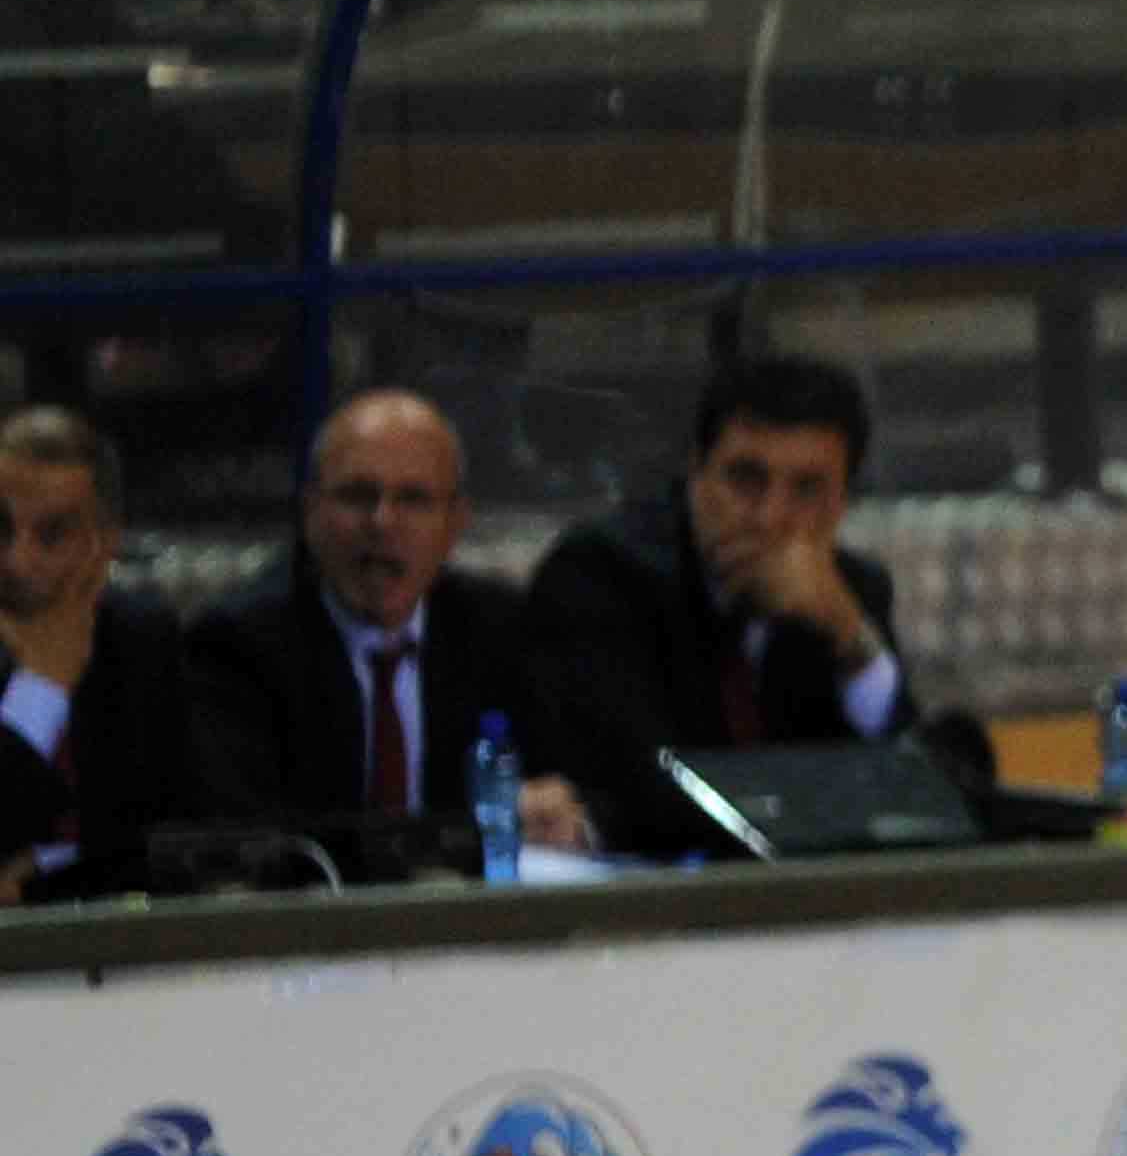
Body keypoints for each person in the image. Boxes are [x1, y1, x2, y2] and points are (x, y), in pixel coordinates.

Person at [526, 355, 913, 856]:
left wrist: (851, 639)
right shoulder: (599, 574)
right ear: (697, 471)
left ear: (843, 501)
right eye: (747, 479)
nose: (771, 517)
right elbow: (648, 788)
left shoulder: (850, 592)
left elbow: (913, 785)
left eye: (807, 489)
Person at [186, 389, 588, 846]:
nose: (382, 522)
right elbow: (251, 835)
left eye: (413, 499)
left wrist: (560, 814)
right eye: (357, 495)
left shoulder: (501, 628)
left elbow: (586, 784)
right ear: (310, 510)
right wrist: (469, 832)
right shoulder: (237, 646)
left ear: (455, 522)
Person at [0, 408, 215, 908]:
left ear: (106, 542)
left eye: (52, 534)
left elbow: (166, 842)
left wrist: (37, 876)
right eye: (0, 528)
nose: (16, 561)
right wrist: (43, 685)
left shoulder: (140, 638)